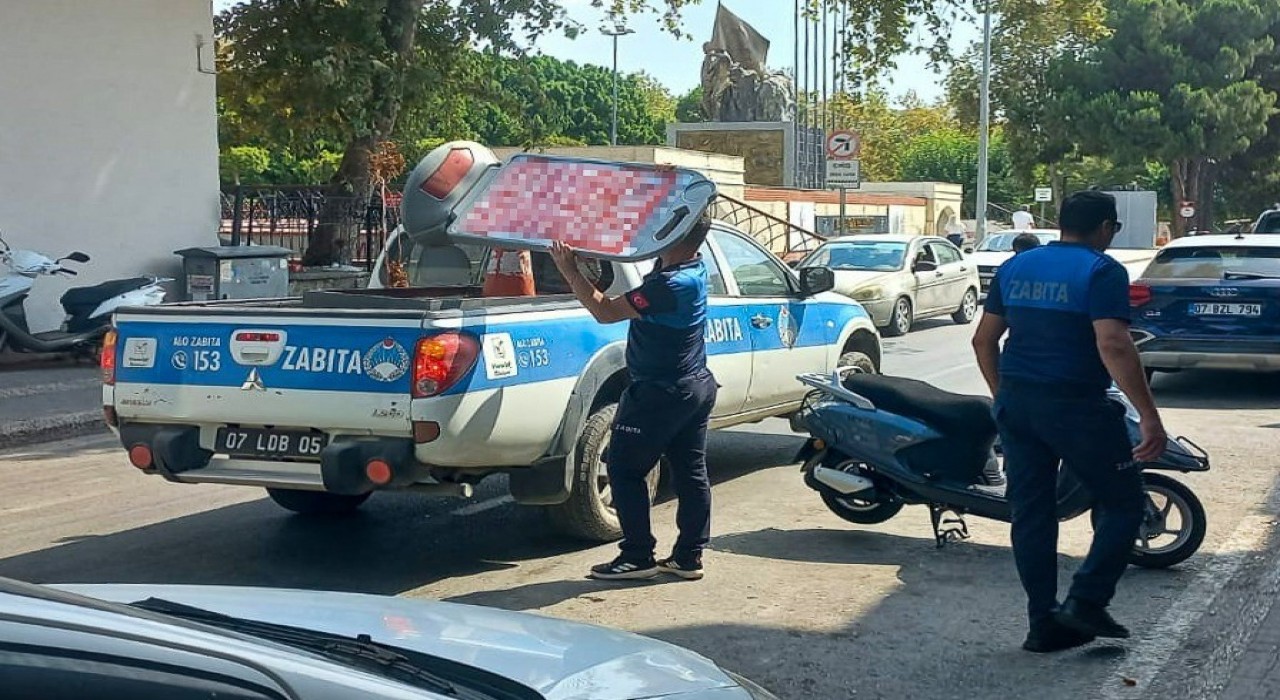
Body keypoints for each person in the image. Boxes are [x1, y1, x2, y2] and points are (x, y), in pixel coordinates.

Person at [970, 191, 1166, 653]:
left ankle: (1043, 625)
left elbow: (983, 341)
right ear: (1104, 227)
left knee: (1033, 513)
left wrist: (1004, 398)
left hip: (1018, 403)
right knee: (1123, 502)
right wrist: (1149, 416)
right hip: (1076, 405)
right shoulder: (1102, 270)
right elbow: (1113, 344)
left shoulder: (1015, 267)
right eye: (1112, 229)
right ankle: (1086, 600)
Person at [550, 218, 718, 582]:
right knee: (691, 473)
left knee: (625, 470)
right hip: (693, 385)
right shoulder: (692, 266)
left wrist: (570, 270)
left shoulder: (669, 285)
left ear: (674, 237)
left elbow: (605, 311)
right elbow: (650, 248)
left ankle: (637, 555)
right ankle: (689, 557)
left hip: (661, 392)